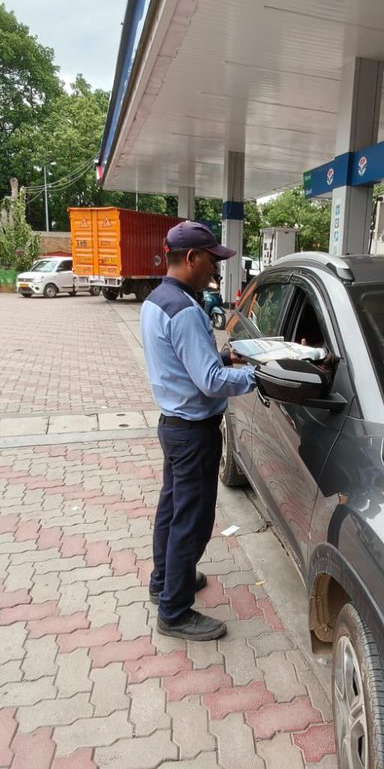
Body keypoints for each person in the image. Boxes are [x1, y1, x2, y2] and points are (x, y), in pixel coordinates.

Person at [140, 221, 257, 640]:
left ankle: (165, 582)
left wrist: (221, 356)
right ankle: (174, 611)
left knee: (171, 511)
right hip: (193, 432)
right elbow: (209, 381)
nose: (216, 269)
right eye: (211, 260)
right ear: (191, 258)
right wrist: (258, 375)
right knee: (192, 519)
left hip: (174, 427)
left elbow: (187, 363)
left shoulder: (157, 300)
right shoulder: (187, 310)